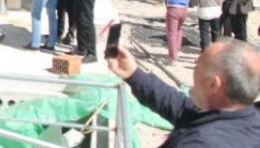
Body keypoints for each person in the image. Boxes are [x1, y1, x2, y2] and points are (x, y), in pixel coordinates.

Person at [107, 39, 260, 147]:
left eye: (198, 65)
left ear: (213, 84)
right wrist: (133, 74)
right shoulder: (244, 119)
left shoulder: (199, 143)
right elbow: (179, 106)